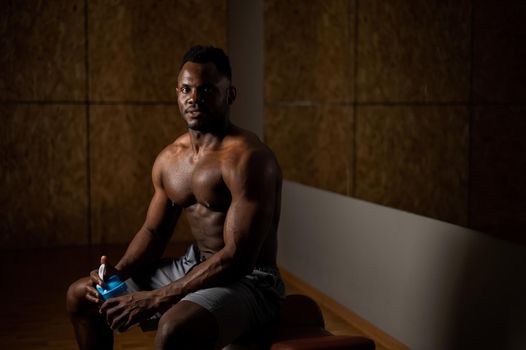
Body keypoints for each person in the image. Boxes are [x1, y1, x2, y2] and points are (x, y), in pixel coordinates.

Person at [66, 45, 284, 350]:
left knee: (172, 329)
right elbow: (154, 233)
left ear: (230, 95)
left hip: (251, 281)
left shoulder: (249, 159)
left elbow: (238, 258)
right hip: (195, 265)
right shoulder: (171, 159)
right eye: (186, 89)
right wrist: (118, 272)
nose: (194, 98)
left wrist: (156, 298)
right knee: (81, 294)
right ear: (177, 93)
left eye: (207, 90)